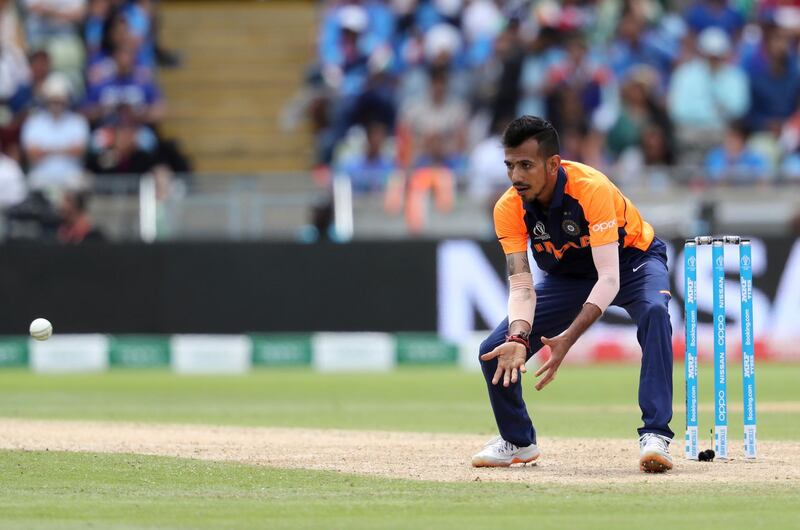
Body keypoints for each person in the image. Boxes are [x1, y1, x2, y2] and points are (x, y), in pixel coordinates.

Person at [472, 116, 674, 473]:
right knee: (494, 349)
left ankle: (656, 434)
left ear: (553, 164)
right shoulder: (508, 207)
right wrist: (519, 336)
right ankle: (518, 441)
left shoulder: (590, 188)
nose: (515, 176)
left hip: (630, 260)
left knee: (655, 312)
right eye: (510, 165)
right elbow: (521, 285)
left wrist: (568, 338)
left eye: (525, 165)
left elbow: (609, 278)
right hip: (569, 275)